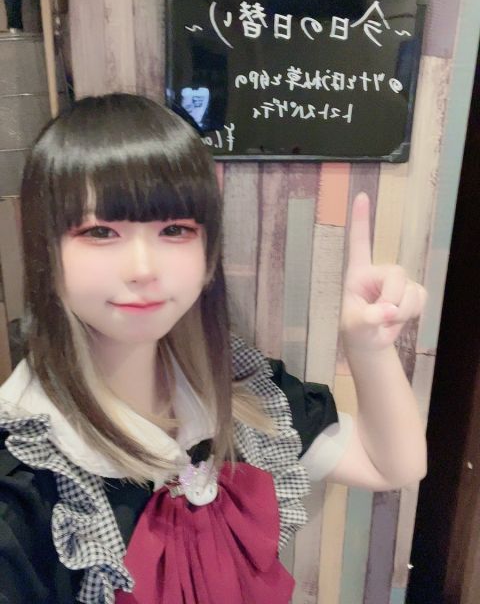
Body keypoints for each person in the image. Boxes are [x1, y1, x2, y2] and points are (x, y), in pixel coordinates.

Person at [0, 93, 427, 604]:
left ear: (209, 254)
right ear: (46, 250)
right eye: (101, 232)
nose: (143, 268)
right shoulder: (25, 484)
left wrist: (368, 347)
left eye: (174, 229)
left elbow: (391, 466)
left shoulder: (240, 392)